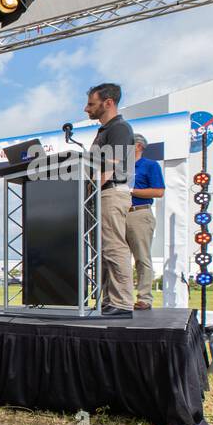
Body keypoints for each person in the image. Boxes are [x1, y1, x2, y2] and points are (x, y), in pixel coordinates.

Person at [84, 82, 136, 316]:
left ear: (108, 103)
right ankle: (109, 300)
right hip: (102, 193)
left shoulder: (119, 128)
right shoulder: (104, 131)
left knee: (114, 247)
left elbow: (111, 168)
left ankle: (122, 302)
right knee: (104, 250)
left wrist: (89, 191)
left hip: (112, 192)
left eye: (91, 104)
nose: (86, 109)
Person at [126, 135, 165, 311]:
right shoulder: (119, 167)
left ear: (138, 146)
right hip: (118, 214)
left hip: (139, 213)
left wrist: (131, 191)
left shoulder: (150, 165)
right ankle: (121, 298)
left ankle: (144, 298)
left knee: (141, 257)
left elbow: (158, 191)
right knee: (118, 258)